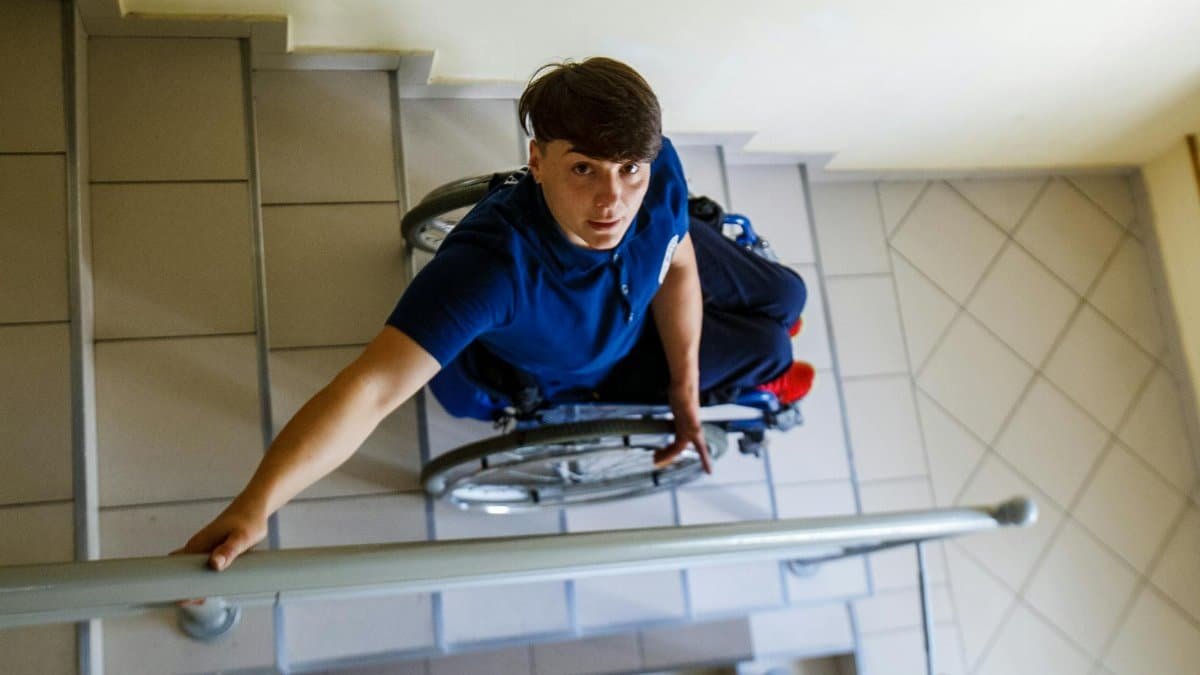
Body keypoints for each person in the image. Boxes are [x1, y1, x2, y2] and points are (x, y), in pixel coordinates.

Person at [176, 57, 812, 573]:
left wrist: (684, 387)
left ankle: (765, 331)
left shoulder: (655, 170)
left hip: (644, 293)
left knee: (789, 297)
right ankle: (770, 357)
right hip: (591, 357)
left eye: (629, 171)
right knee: (773, 352)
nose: (612, 201)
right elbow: (369, 391)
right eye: (583, 168)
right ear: (537, 161)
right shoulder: (492, 269)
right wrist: (257, 505)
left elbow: (678, 265)